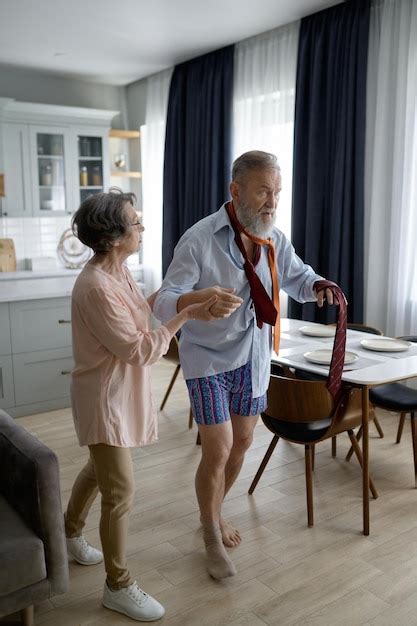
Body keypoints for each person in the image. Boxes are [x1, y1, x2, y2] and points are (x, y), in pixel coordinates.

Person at [153, 150, 337, 580]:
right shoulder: (198, 239)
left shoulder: (275, 238)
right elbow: (163, 301)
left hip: (253, 355)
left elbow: (296, 276)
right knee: (216, 447)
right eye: (262, 192)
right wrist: (195, 302)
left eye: (277, 192)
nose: (272, 202)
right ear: (235, 192)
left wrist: (318, 285)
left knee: (241, 443)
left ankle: (215, 513)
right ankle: (210, 533)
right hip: (208, 359)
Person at [64, 188, 232, 622]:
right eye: (135, 222)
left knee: (99, 469)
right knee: (119, 491)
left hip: (115, 392)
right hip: (104, 396)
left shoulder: (117, 271)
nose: (141, 228)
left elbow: (142, 312)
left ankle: (66, 532)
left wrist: (191, 297)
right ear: (113, 235)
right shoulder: (97, 286)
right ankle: (116, 585)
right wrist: (187, 317)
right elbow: (139, 350)